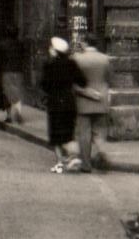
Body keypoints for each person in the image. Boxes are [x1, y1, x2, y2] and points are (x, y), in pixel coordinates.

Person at [39, 36, 87, 171]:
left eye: (51, 48)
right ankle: (74, 157)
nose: (49, 50)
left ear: (55, 51)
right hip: (69, 102)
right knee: (69, 132)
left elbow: (44, 85)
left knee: (55, 134)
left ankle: (60, 162)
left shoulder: (49, 65)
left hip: (54, 102)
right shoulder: (71, 64)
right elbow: (82, 82)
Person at [72, 33, 112, 172]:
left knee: (84, 134)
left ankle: (86, 164)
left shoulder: (77, 59)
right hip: (102, 99)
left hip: (83, 102)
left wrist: (87, 92)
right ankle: (101, 155)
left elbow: (73, 82)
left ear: (85, 43)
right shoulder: (105, 59)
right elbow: (109, 79)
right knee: (99, 132)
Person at [0, 23, 26, 124]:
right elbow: (23, 56)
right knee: (17, 91)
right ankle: (18, 111)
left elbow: (0, 58)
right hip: (18, 70)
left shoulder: (2, 44)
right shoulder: (20, 44)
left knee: (6, 93)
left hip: (6, 71)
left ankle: (9, 115)